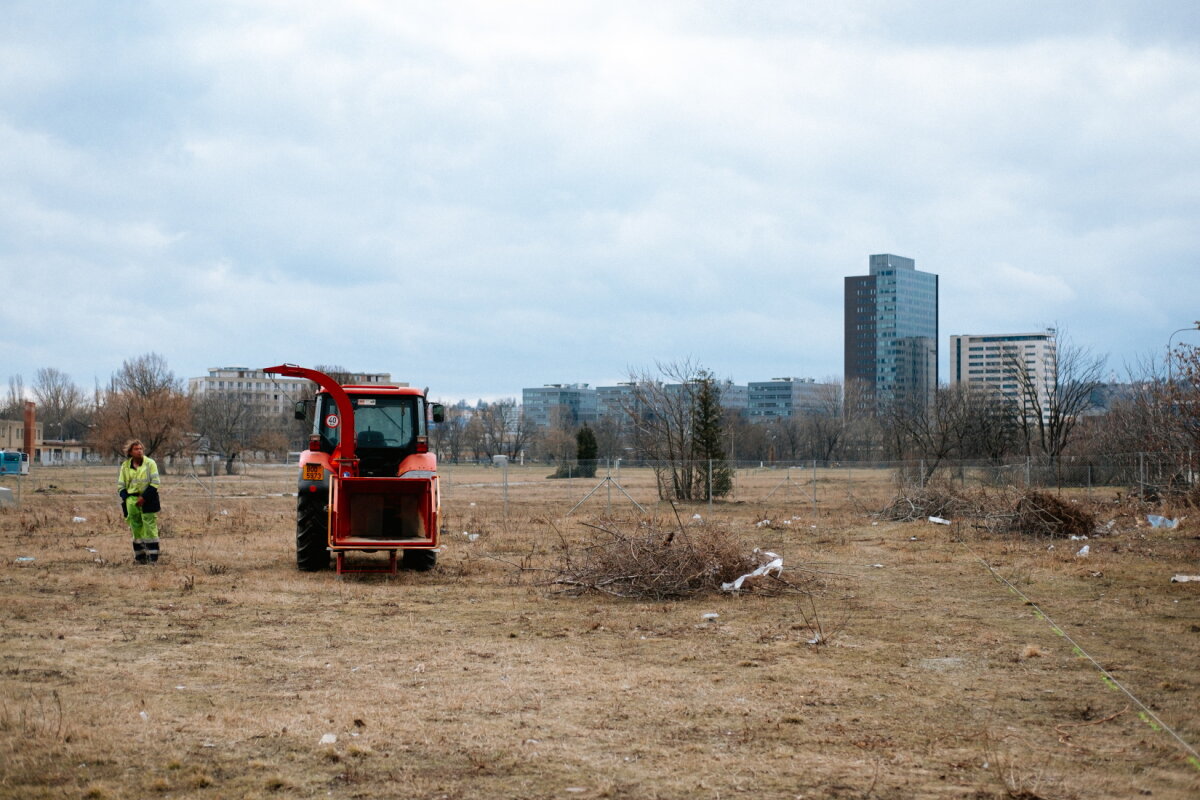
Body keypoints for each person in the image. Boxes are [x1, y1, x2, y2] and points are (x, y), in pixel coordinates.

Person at [118, 439, 162, 564]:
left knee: (150, 527)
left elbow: (155, 482)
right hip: (131, 500)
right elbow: (121, 485)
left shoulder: (150, 463)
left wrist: (144, 497)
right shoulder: (125, 466)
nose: (139, 451)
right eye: (136, 449)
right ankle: (140, 557)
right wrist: (126, 498)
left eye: (141, 448)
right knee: (135, 527)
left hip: (148, 498)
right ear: (130, 452)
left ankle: (153, 557)